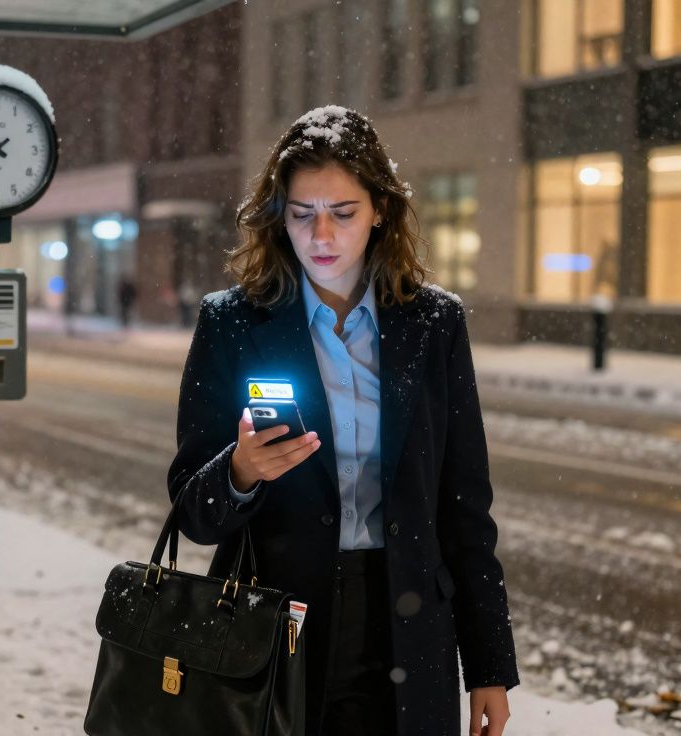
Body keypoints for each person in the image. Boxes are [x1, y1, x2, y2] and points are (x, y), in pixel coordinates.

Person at [168, 106, 518, 736]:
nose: (321, 234)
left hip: (408, 628)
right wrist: (240, 472)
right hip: (274, 631)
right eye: (301, 214)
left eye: (343, 212)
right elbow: (193, 513)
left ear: (380, 209)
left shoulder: (433, 325)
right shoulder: (231, 322)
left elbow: (465, 505)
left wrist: (488, 665)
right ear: (280, 218)